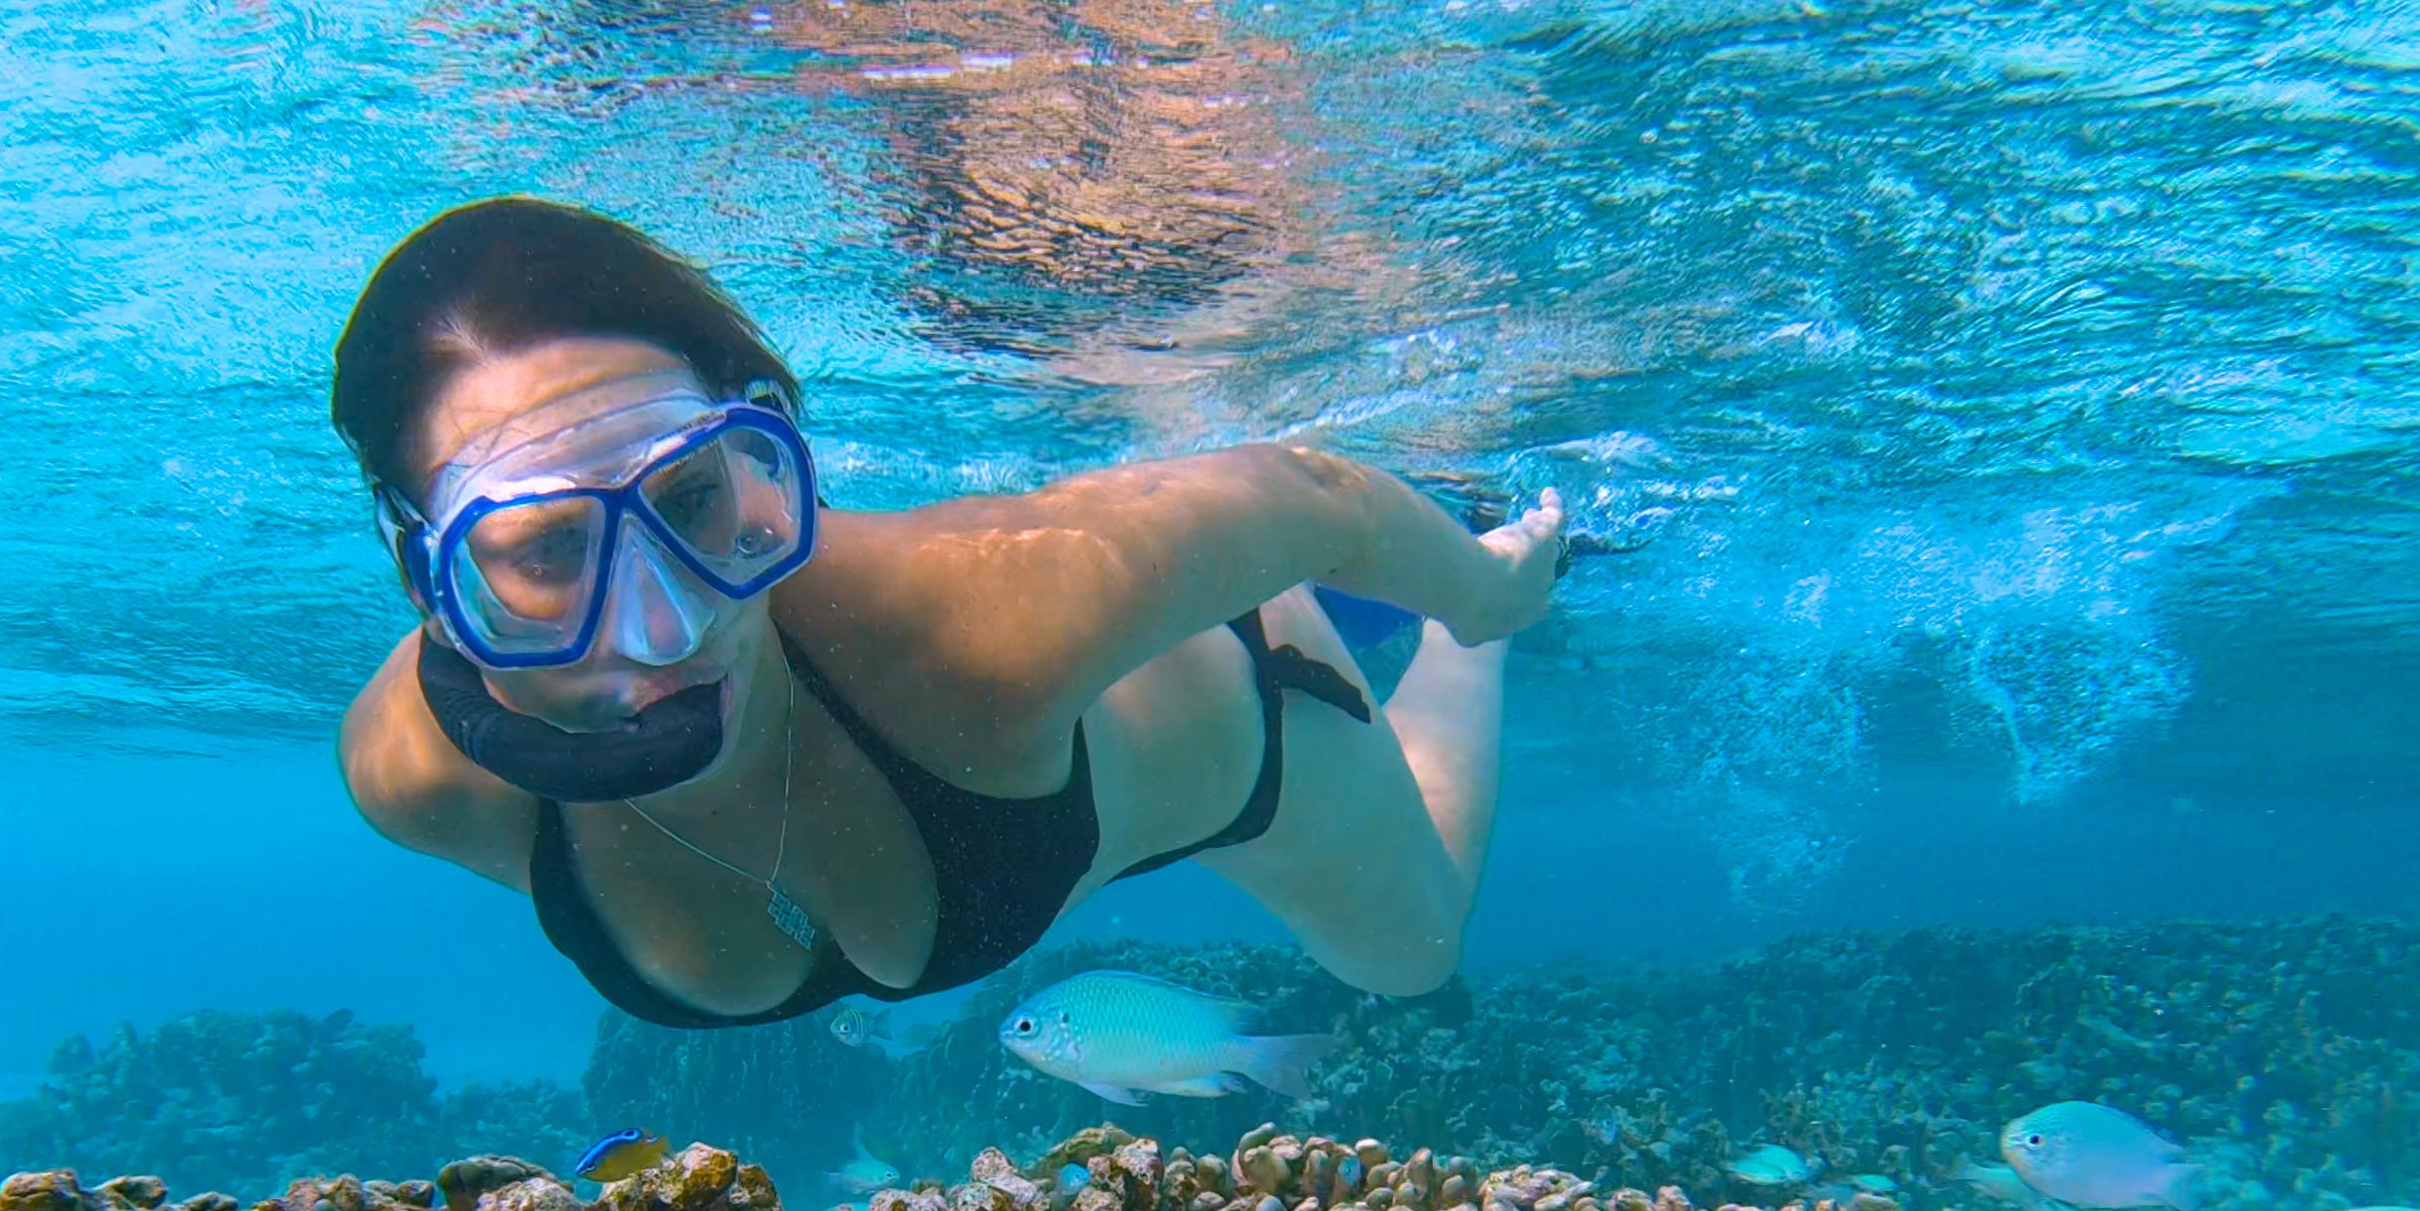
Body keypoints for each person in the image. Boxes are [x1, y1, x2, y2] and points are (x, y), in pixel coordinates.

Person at [331, 197, 1563, 1030]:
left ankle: (1468, 646)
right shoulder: (417, 777)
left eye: (693, 495)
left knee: (1412, 960)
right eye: (548, 549)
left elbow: (1318, 495)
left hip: (1251, 717)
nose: (664, 629)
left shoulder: (983, 627)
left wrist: (1494, 585)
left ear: (764, 457)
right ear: (428, 579)